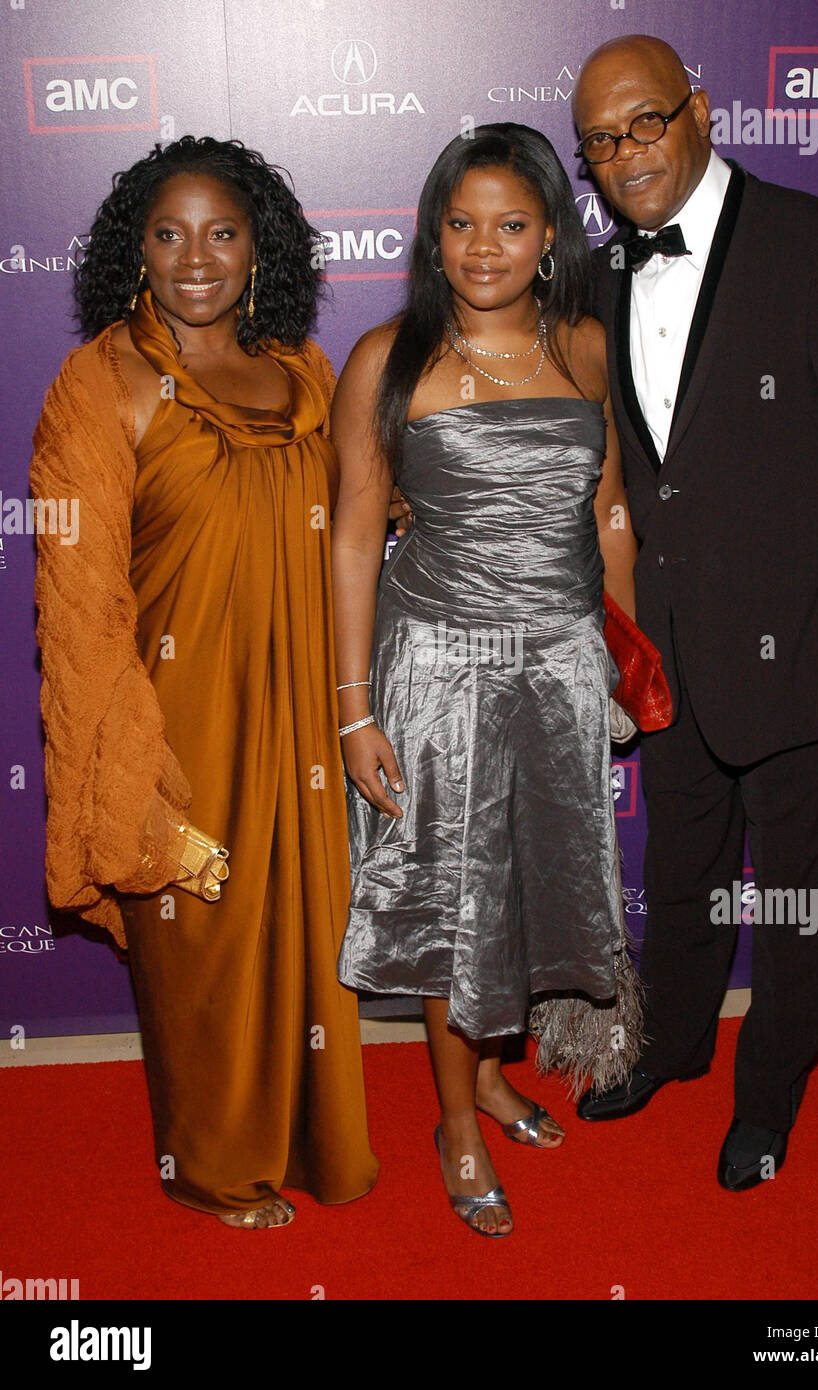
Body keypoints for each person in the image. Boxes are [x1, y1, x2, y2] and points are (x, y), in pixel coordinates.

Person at [572, 36, 818, 1189]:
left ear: (700, 112)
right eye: (598, 142)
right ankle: (670, 1043)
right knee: (677, 871)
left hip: (807, 657)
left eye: (642, 123)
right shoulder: (600, 278)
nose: (623, 155)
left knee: (791, 896)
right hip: (668, 657)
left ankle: (769, 1088)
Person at [30, 135, 378, 1227]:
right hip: (175, 728)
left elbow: (364, 527)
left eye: (222, 232)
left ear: (257, 246)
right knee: (206, 953)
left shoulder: (304, 372)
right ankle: (213, 1167)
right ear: (135, 248)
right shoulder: (98, 386)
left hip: (304, 717)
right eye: (169, 232)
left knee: (305, 941)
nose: (195, 257)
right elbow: (79, 613)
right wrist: (135, 792)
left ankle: (311, 1141)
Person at [330, 123, 643, 1237]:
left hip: (557, 667)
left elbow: (604, 513)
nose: (480, 246)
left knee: (526, 891)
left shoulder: (587, 348)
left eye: (509, 224)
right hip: (437, 675)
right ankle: (453, 1121)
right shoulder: (388, 360)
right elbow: (352, 538)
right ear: (432, 233)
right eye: (458, 223)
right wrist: (353, 710)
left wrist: (624, 652)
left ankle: (493, 1076)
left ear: (549, 234)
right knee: (452, 904)